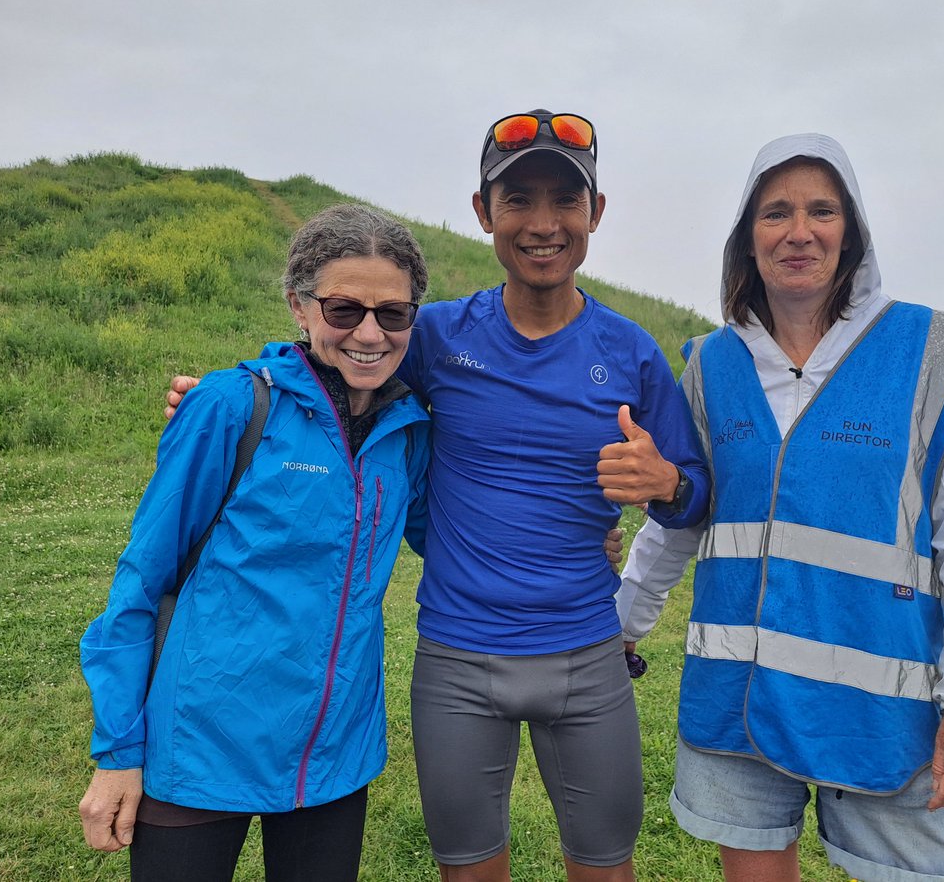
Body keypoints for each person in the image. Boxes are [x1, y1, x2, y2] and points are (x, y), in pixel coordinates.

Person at [163, 110, 710, 882]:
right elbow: (339, 362)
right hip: (458, 657)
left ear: (596, 213)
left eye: (566, 200)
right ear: (485, 212)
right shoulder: (437, 336)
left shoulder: (632, 354)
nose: (544, 223)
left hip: (588, 654)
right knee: (468, 868)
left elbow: (694, 501)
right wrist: (224, 395)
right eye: (518, 200)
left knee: (605, 866)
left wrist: (670, 483)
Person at [616, 133, 944, 882]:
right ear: (746, 238)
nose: (800, 231)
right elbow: (681, 521)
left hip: (882, 714)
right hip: (738, 700)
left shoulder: (928, 354)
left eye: (822, 210)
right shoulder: (710, 365)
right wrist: (617, 627)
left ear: (852, 230)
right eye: (776, 213)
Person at [79, 204, 432, 881]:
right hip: (201, 745)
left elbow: (444, 539)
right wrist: (119, 749)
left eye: (392, 314)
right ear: (300, 308)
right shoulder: (232, 406)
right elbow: (141, 580)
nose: (368, 333)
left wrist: (579, 543)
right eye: (342, 310)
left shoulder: (407, 430)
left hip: (333, 754)